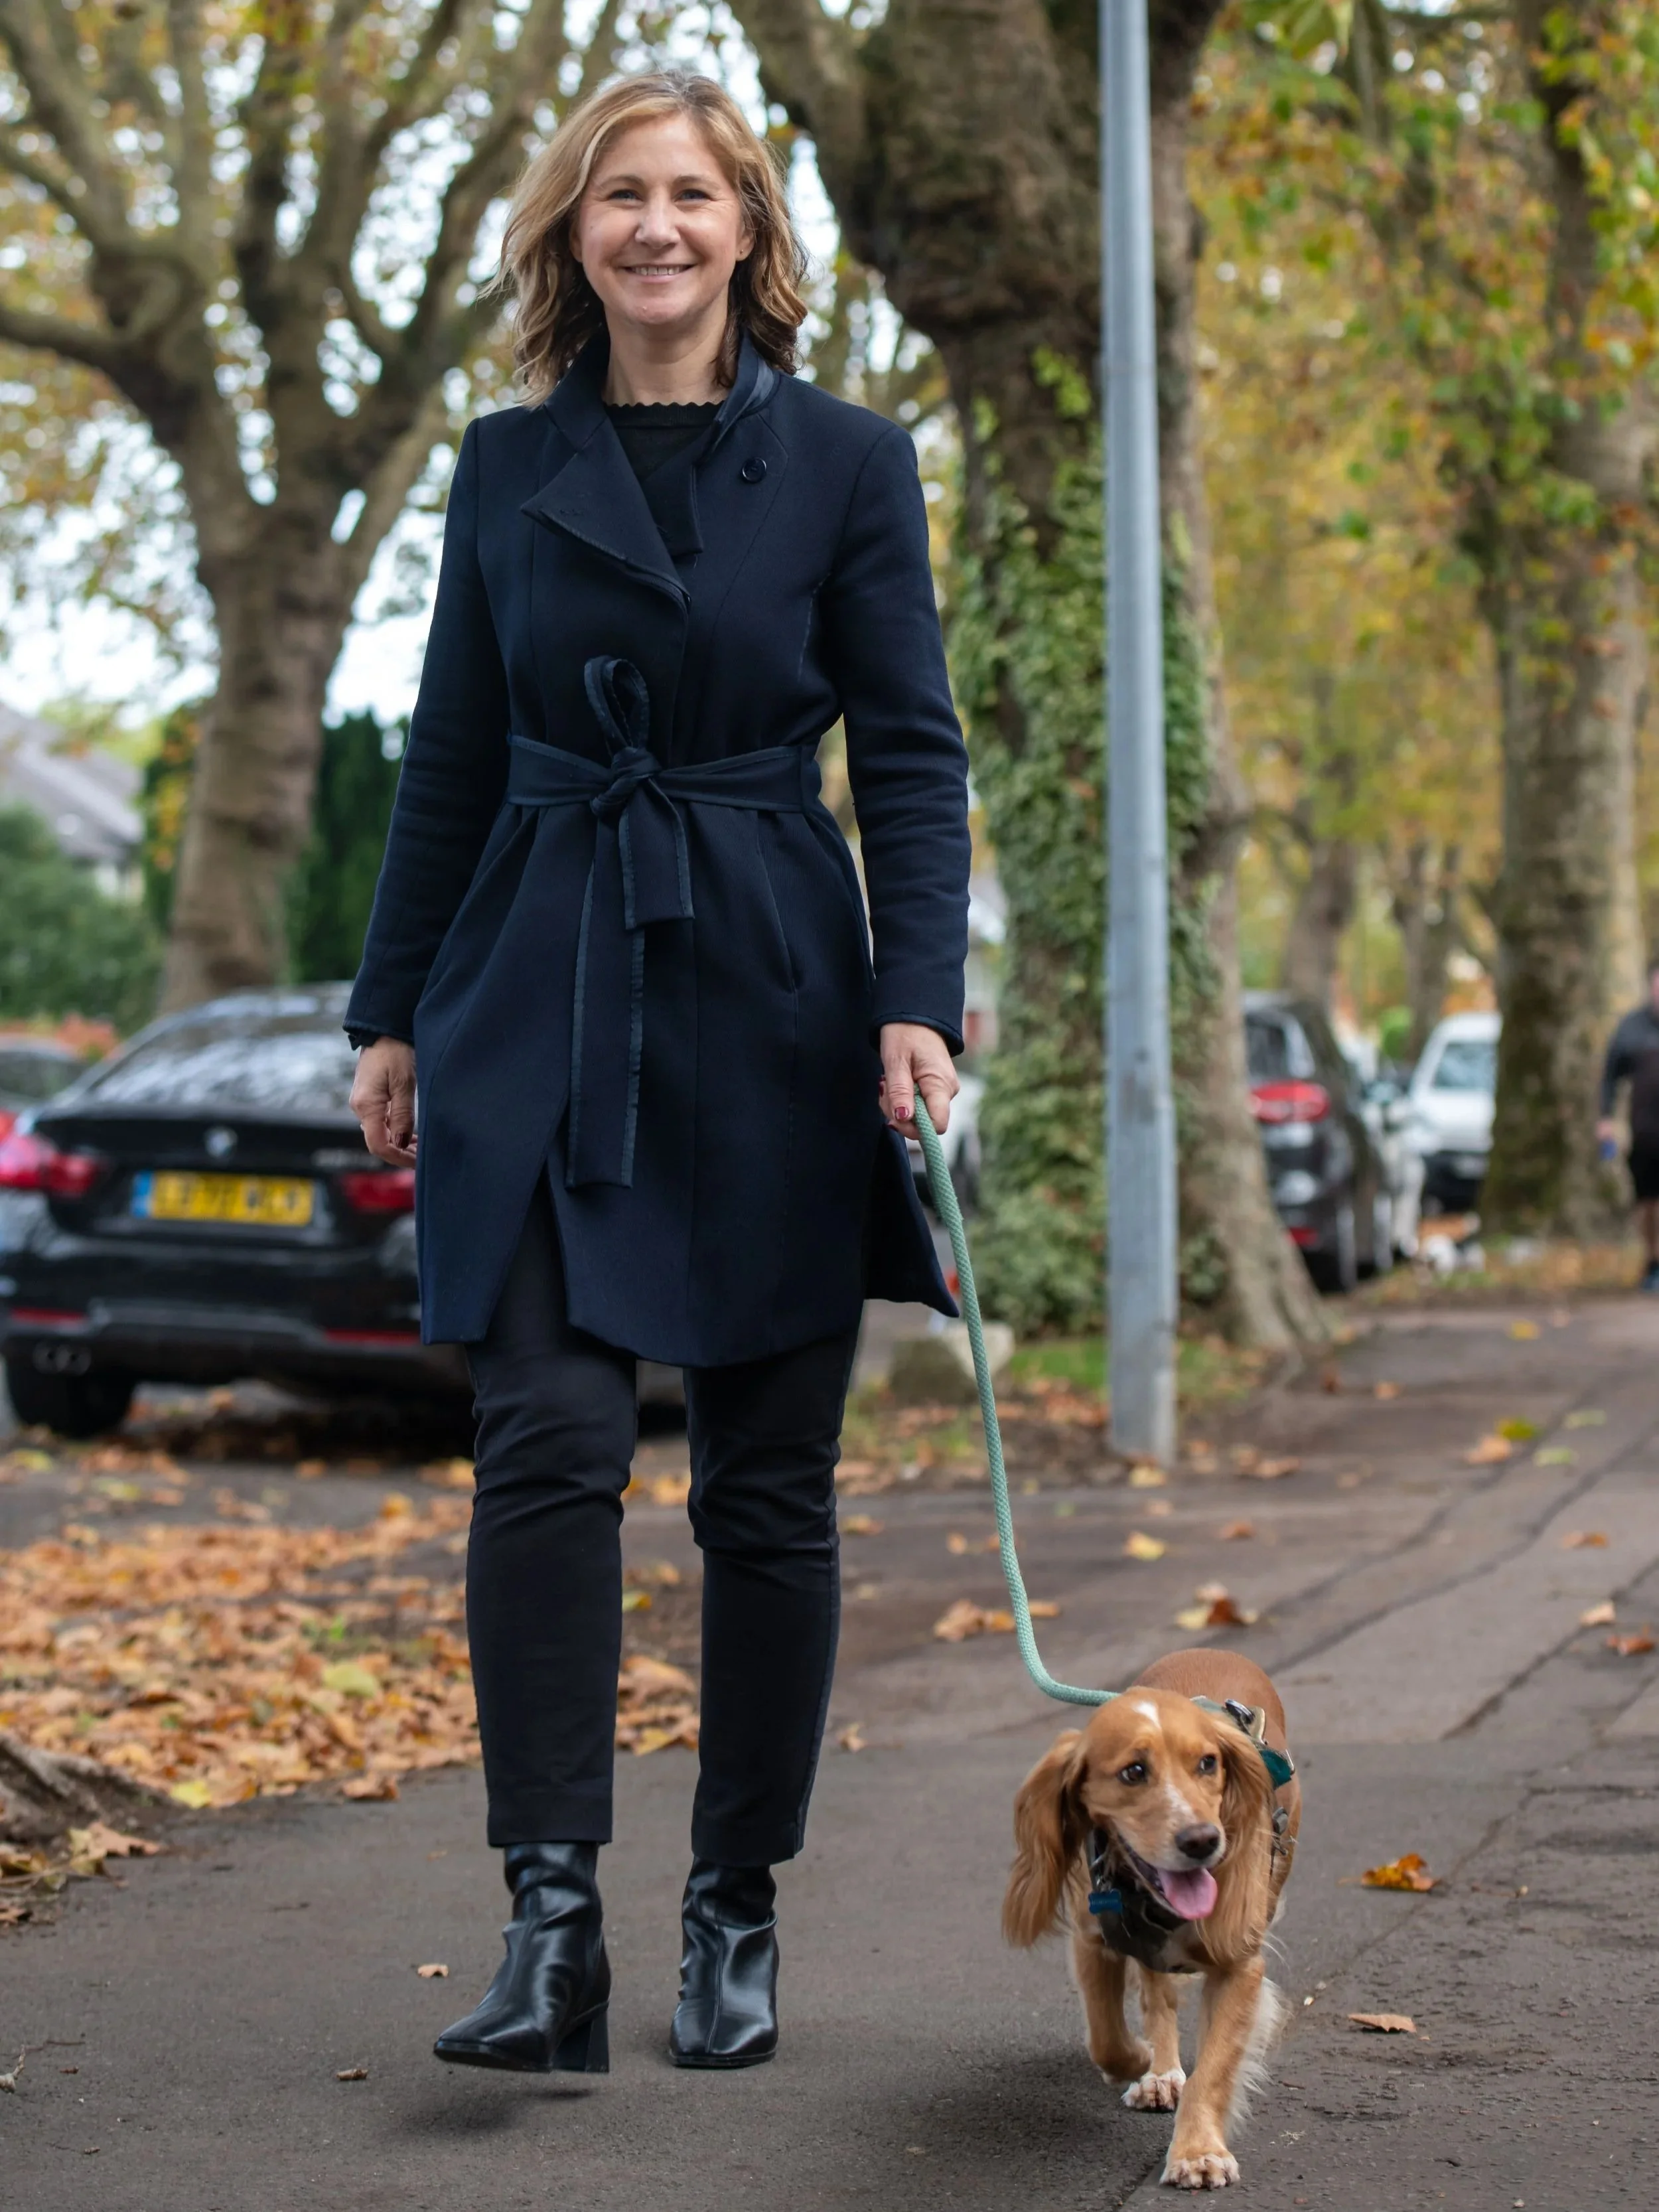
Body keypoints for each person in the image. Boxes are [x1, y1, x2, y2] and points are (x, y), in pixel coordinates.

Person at [343, 68, 970, 2076]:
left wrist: (916, 998)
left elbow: (909, 752)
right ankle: (549, 1918)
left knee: (765, 1488)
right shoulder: (501, 464)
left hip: (774, 984)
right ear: (571, 232)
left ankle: (733, 1905)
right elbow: (447, 749)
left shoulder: (851, 462)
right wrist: (387, 1008)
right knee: (542, 1443)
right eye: (621, 193)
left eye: (691, 191)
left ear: (746, 231)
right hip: (536, 980)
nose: (656, 225)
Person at [1597, 957, 1659, 1292]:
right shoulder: (1632, 1028)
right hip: (1645, 1134)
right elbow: (1609, 1077)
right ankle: (1653, 1262)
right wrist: (1605, 1119)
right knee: (1648, 1202)